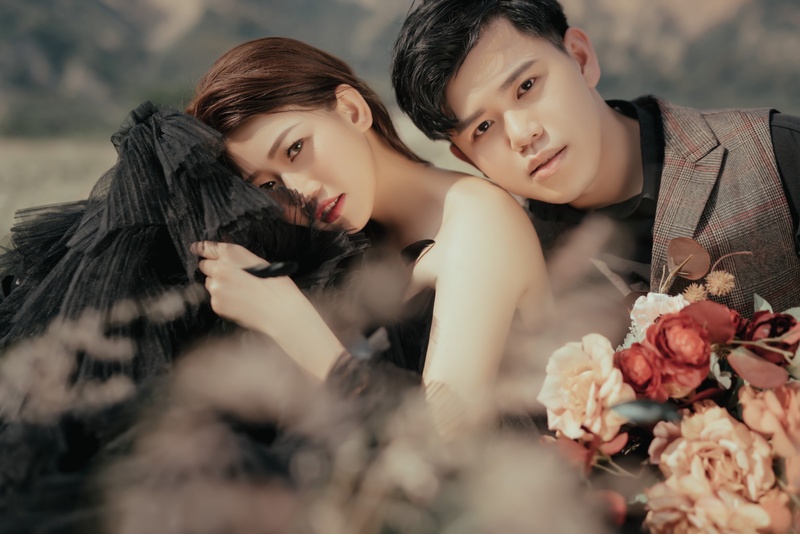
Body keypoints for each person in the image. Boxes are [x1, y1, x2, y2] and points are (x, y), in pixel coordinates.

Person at [185, 36, 552, 433]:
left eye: (295, 148)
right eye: (269, 186)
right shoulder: (353, 249)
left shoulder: (476, 223)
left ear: (351, 110)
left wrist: (290, 322)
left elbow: (445, 439)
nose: (301, 192)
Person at [390, 0, 800, 318]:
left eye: (527, 86)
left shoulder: (778, 152)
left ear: (581, 58)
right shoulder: (521, 271)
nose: (522, 134)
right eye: (483, 128)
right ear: (467, 158)